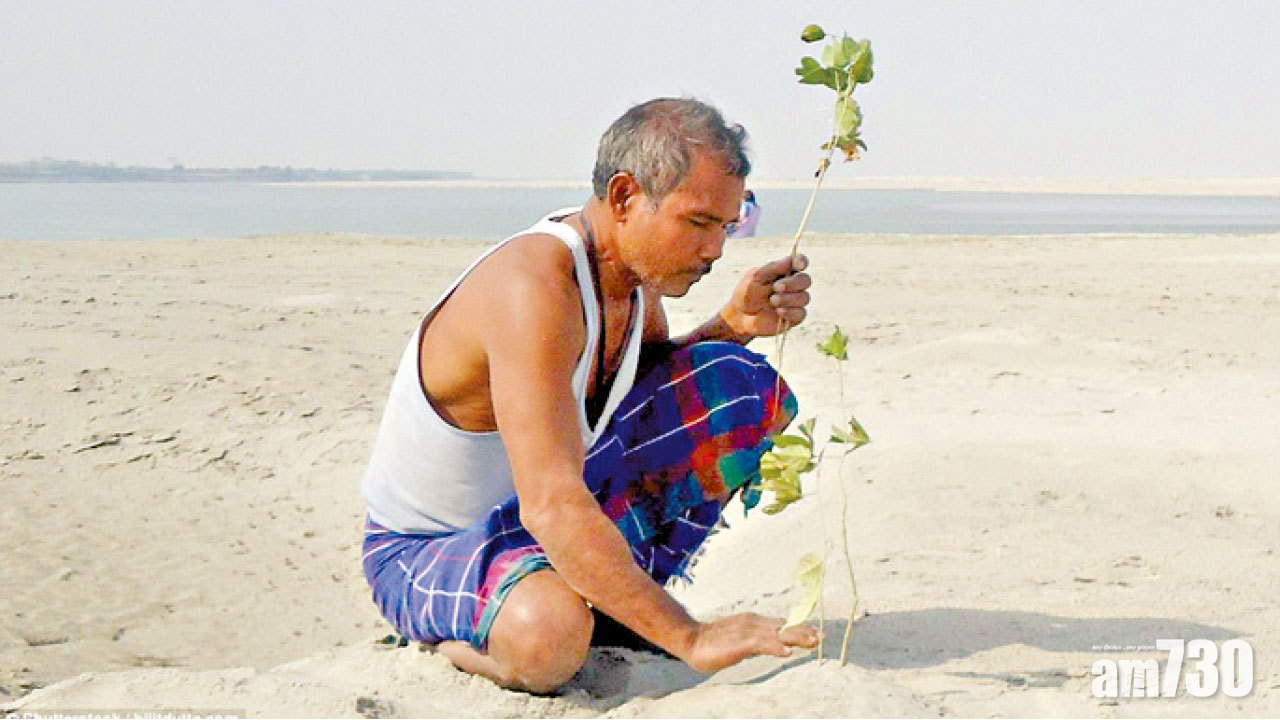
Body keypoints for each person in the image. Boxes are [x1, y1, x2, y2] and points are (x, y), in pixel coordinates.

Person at [360, 97, 817, 694]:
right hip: (428, 549)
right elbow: (550, 503)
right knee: (550, 637)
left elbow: (638, 396)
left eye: (728, 227)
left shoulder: (630, 280)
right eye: (699, 223)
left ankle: (603, 605)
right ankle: (458, 636)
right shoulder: (536, 287)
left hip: (533, 531)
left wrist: (731, 326)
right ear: (625, 198)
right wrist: (690, 637)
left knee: (737, 385)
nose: (716, 251)